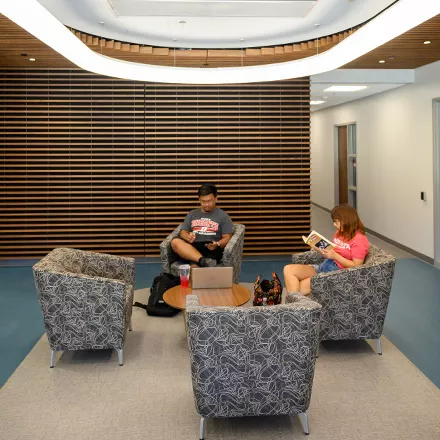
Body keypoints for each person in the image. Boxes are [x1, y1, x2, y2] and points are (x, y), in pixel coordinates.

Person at [283, 204, 369, 296]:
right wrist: (317, 247)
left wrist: (335, 256)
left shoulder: (360, 239)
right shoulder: (340, 233)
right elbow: (332, 251)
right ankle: (294, 306)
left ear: (346, 220)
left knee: (296, 289)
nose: (334, 225)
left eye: (336, 222)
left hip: (336, 273)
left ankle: (293, 307)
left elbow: (357, 266)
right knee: (288, 269)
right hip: (325, 265)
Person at [171, 183, 234, 267]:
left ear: (216, 199)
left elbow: (227, 237)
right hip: (193, 246)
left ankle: (198, 261)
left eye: (209, 201)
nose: (206, 204)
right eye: (203, 201)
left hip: (211, 247)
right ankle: (202, 261)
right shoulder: (192, 214)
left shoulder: (223, 216)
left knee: (194, 268)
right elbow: (183, 232)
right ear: (199, 200)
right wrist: (187, 237)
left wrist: (218, 244)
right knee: (175, 242)